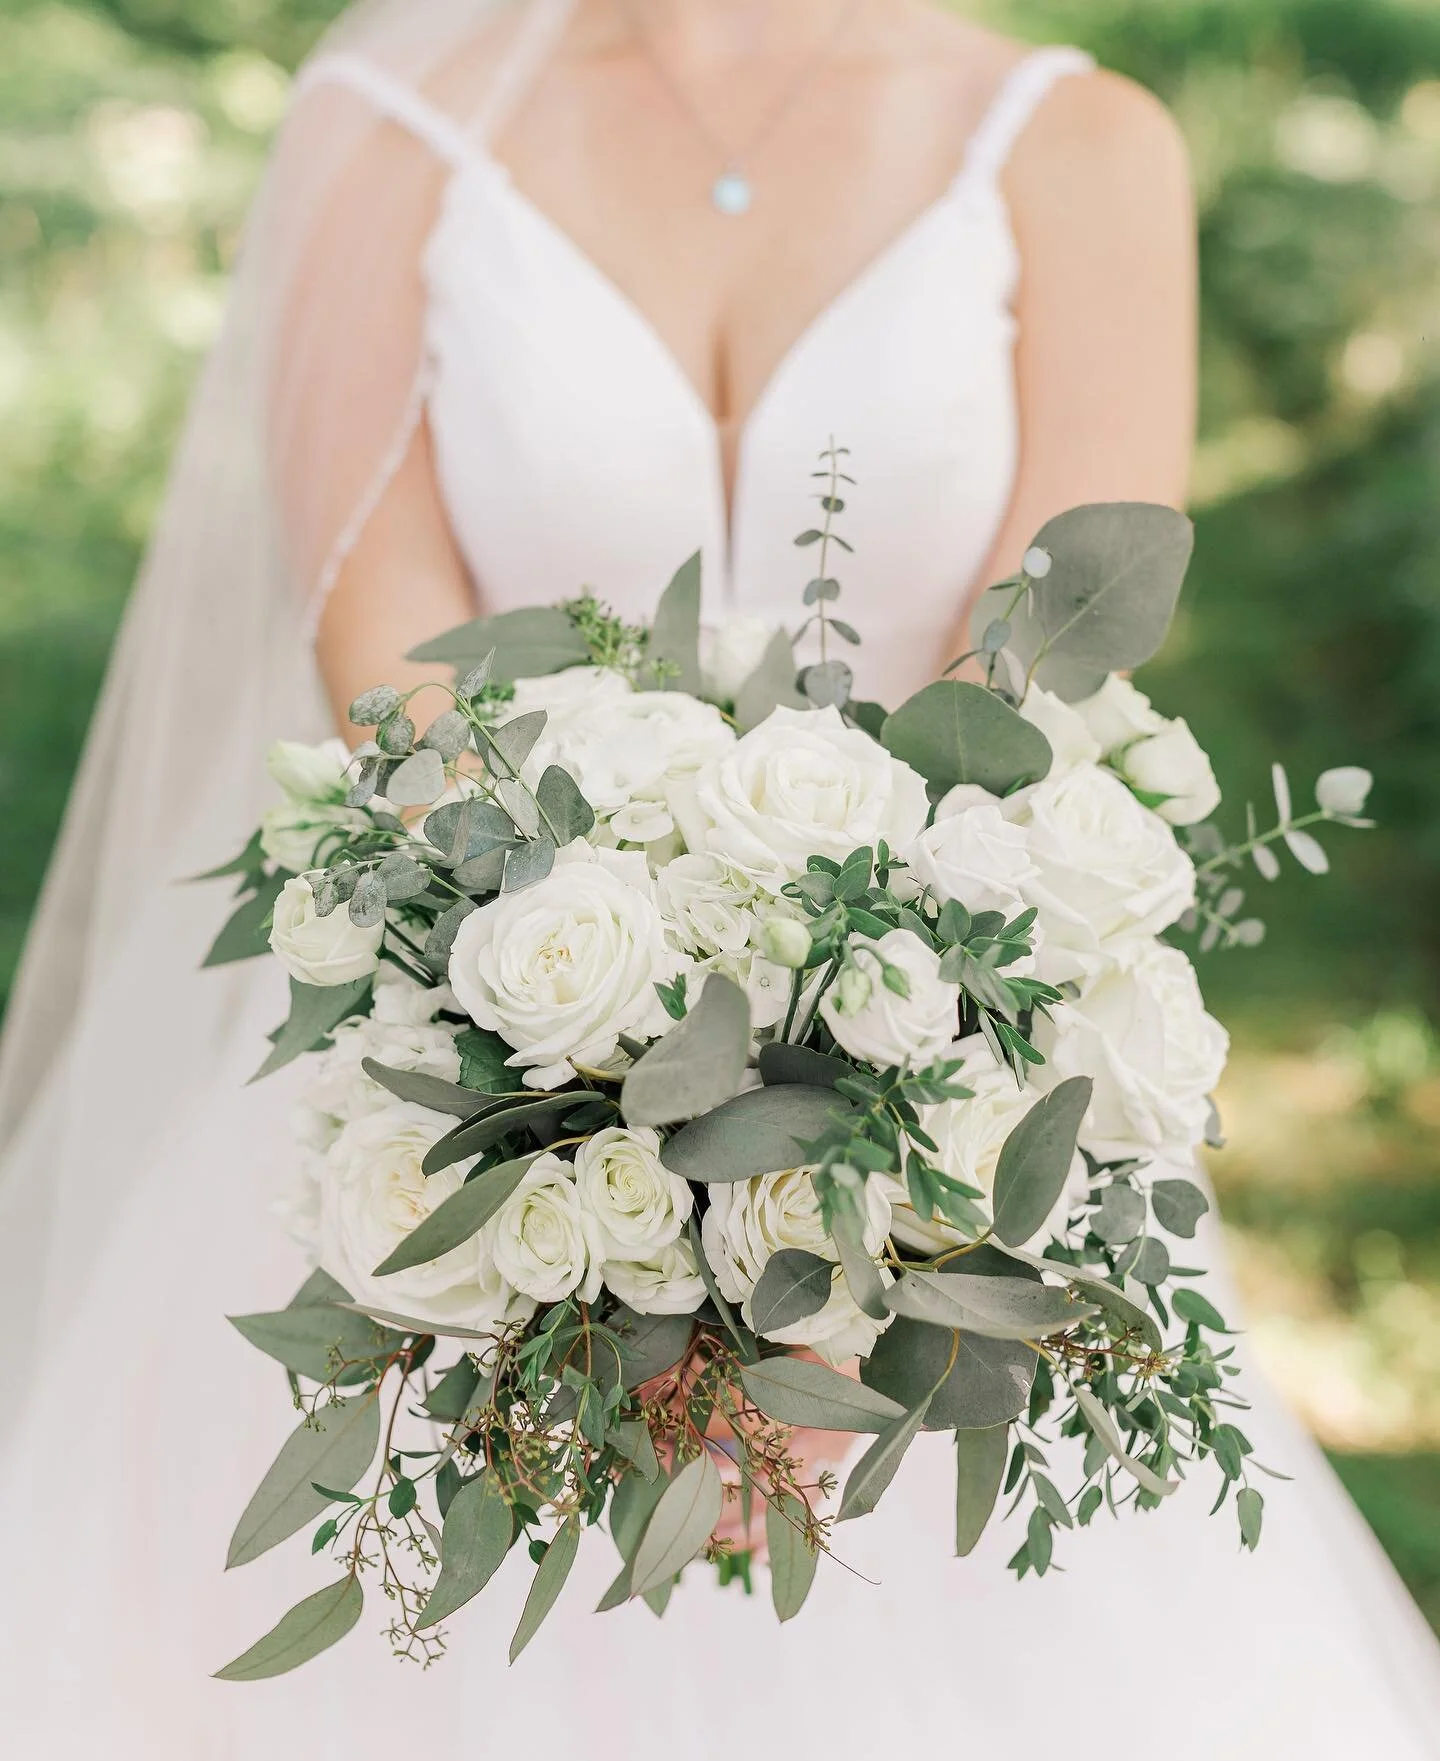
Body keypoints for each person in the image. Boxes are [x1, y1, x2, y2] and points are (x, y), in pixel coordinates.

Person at [0, 1, 1435, 1754]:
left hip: (945, 1097)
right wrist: (606, 1187)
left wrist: (840, 1242)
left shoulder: (1081, 147)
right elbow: (390, 670)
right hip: (474, 1092)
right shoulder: (383, 129)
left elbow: (1048, 675)